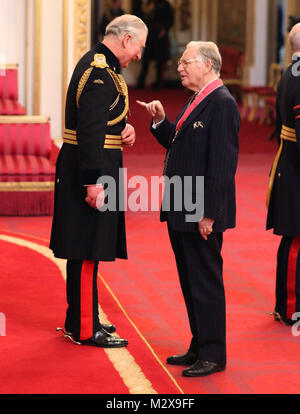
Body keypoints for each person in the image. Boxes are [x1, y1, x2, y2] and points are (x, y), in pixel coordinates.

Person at [137, 41, 240, 377]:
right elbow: (179, 144)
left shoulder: (222, 103)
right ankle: (199, 344)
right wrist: (161, 122)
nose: (179, 67)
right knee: (190, 280)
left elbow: (223, 165)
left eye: (185, 62)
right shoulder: (198, 98)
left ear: (207, 65)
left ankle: (213, 353)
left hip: (201, 212)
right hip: (183, 205)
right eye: (179, 62)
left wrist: (209, 213)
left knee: (206, 282)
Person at [50, 15, 148, 348]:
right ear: (126, 39)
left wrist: (123, 129)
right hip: (91, 170)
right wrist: (93, 183)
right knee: (87, 249)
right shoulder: (99, 72)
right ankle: (85, 328)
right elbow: (90, 131)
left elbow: (102, 119)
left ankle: (81, 318)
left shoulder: (105, 68)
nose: (138, 55)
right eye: (139, 47)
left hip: (94, 165)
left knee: (85, 248)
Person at [266, 23, 300, 326]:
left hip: (289, 162)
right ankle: (289, 307)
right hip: (295, 166)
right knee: (295, 239)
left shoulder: (292, 71)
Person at [136, 0, 174, 89]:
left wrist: (165, 30)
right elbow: (143, 18)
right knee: (145, 60)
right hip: (149, 36)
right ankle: (140, 83)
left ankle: (158, 84)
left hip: (161, 36)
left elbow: (170, 19)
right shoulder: (148, 3)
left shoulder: (165, 4)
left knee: (160, 61)